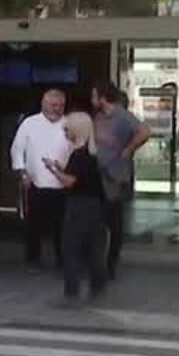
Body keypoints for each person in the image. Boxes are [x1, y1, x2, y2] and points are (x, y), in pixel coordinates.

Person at [48, 110, 109, 303]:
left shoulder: (78, 155)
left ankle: (72, 289)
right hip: (95, 205)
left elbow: (70, 182)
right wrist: (60, 168)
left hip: (79, 205)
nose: (65, 132)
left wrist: (53, 171)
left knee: (71, 246)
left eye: (67, 129)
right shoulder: (92, 154)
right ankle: (98, 283)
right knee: (94, 246)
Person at [91, 82, 150, 280]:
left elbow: (144, 132)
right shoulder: (99, 117)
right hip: (99, 175)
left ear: (102, 97)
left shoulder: (122, 116)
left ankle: (111, 264)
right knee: (97, 221)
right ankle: (97, 261)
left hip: (115, 176)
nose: (92, 100)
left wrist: (129, 149)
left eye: (94, 96)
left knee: (114, 222)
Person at [10, 88, 70, 270]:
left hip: (62, 184)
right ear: (44, 104)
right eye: (53, 105)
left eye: (60, 106)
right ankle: (33, 257)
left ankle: (62, 258)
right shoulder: (30, 123)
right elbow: (17, 149)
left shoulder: (69, 123)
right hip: (35, 182)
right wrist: (22, 172)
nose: (56, 109)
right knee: (33, 223)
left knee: (62, 225)